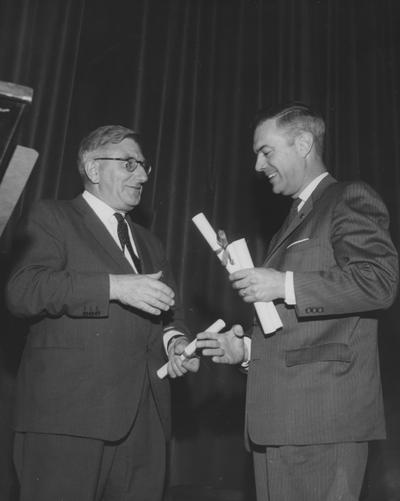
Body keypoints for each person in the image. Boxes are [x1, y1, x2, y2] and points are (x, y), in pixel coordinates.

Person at [196, 103, 399, 501]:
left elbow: (380, 281)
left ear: (304, 143)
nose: (257, 164)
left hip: (321, 423)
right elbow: (297, 330)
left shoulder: (348, 198)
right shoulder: (294, 218)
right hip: (281, 423)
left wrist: (282, 283)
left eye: (266, 151)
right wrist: (247, 352)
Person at [6, 125, 199, 501]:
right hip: (68, 421)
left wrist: (176, 343)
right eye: (129, 164)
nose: (141, 175)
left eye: (143, 166)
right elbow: (23, 290)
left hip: (144, 425)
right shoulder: (52, 217)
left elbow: (168, 314)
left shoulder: (150, 242)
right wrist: (115, 286)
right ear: (93, 169)